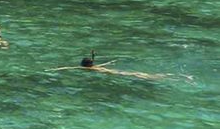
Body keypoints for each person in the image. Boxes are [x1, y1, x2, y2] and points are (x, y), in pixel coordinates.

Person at [49, 51, 185, 80]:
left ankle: (172, 77)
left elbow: (69, 68)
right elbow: (101, 64)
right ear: (91, 63)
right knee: (140, 74)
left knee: (141, 76)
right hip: (113, 70)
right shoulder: (94, 67)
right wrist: (109, 63)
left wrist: (55, 69)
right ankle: (172, 76)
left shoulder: (85, 69)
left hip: (113, 73)